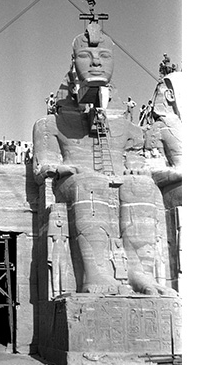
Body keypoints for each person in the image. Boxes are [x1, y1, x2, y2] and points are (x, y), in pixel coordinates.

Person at [32, 21, 181, 295]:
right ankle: (95, 273)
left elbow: (136, 158)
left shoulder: (125, 126)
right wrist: (62, 167)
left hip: (113, 177)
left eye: (104, 56)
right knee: (91, 183)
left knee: (141, 186)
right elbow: (41, 167)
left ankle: (139, 273)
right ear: (73, 65)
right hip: (74, 183)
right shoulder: (49, 124)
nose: (96, 62)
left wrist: (136, 169)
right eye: (85, 56)